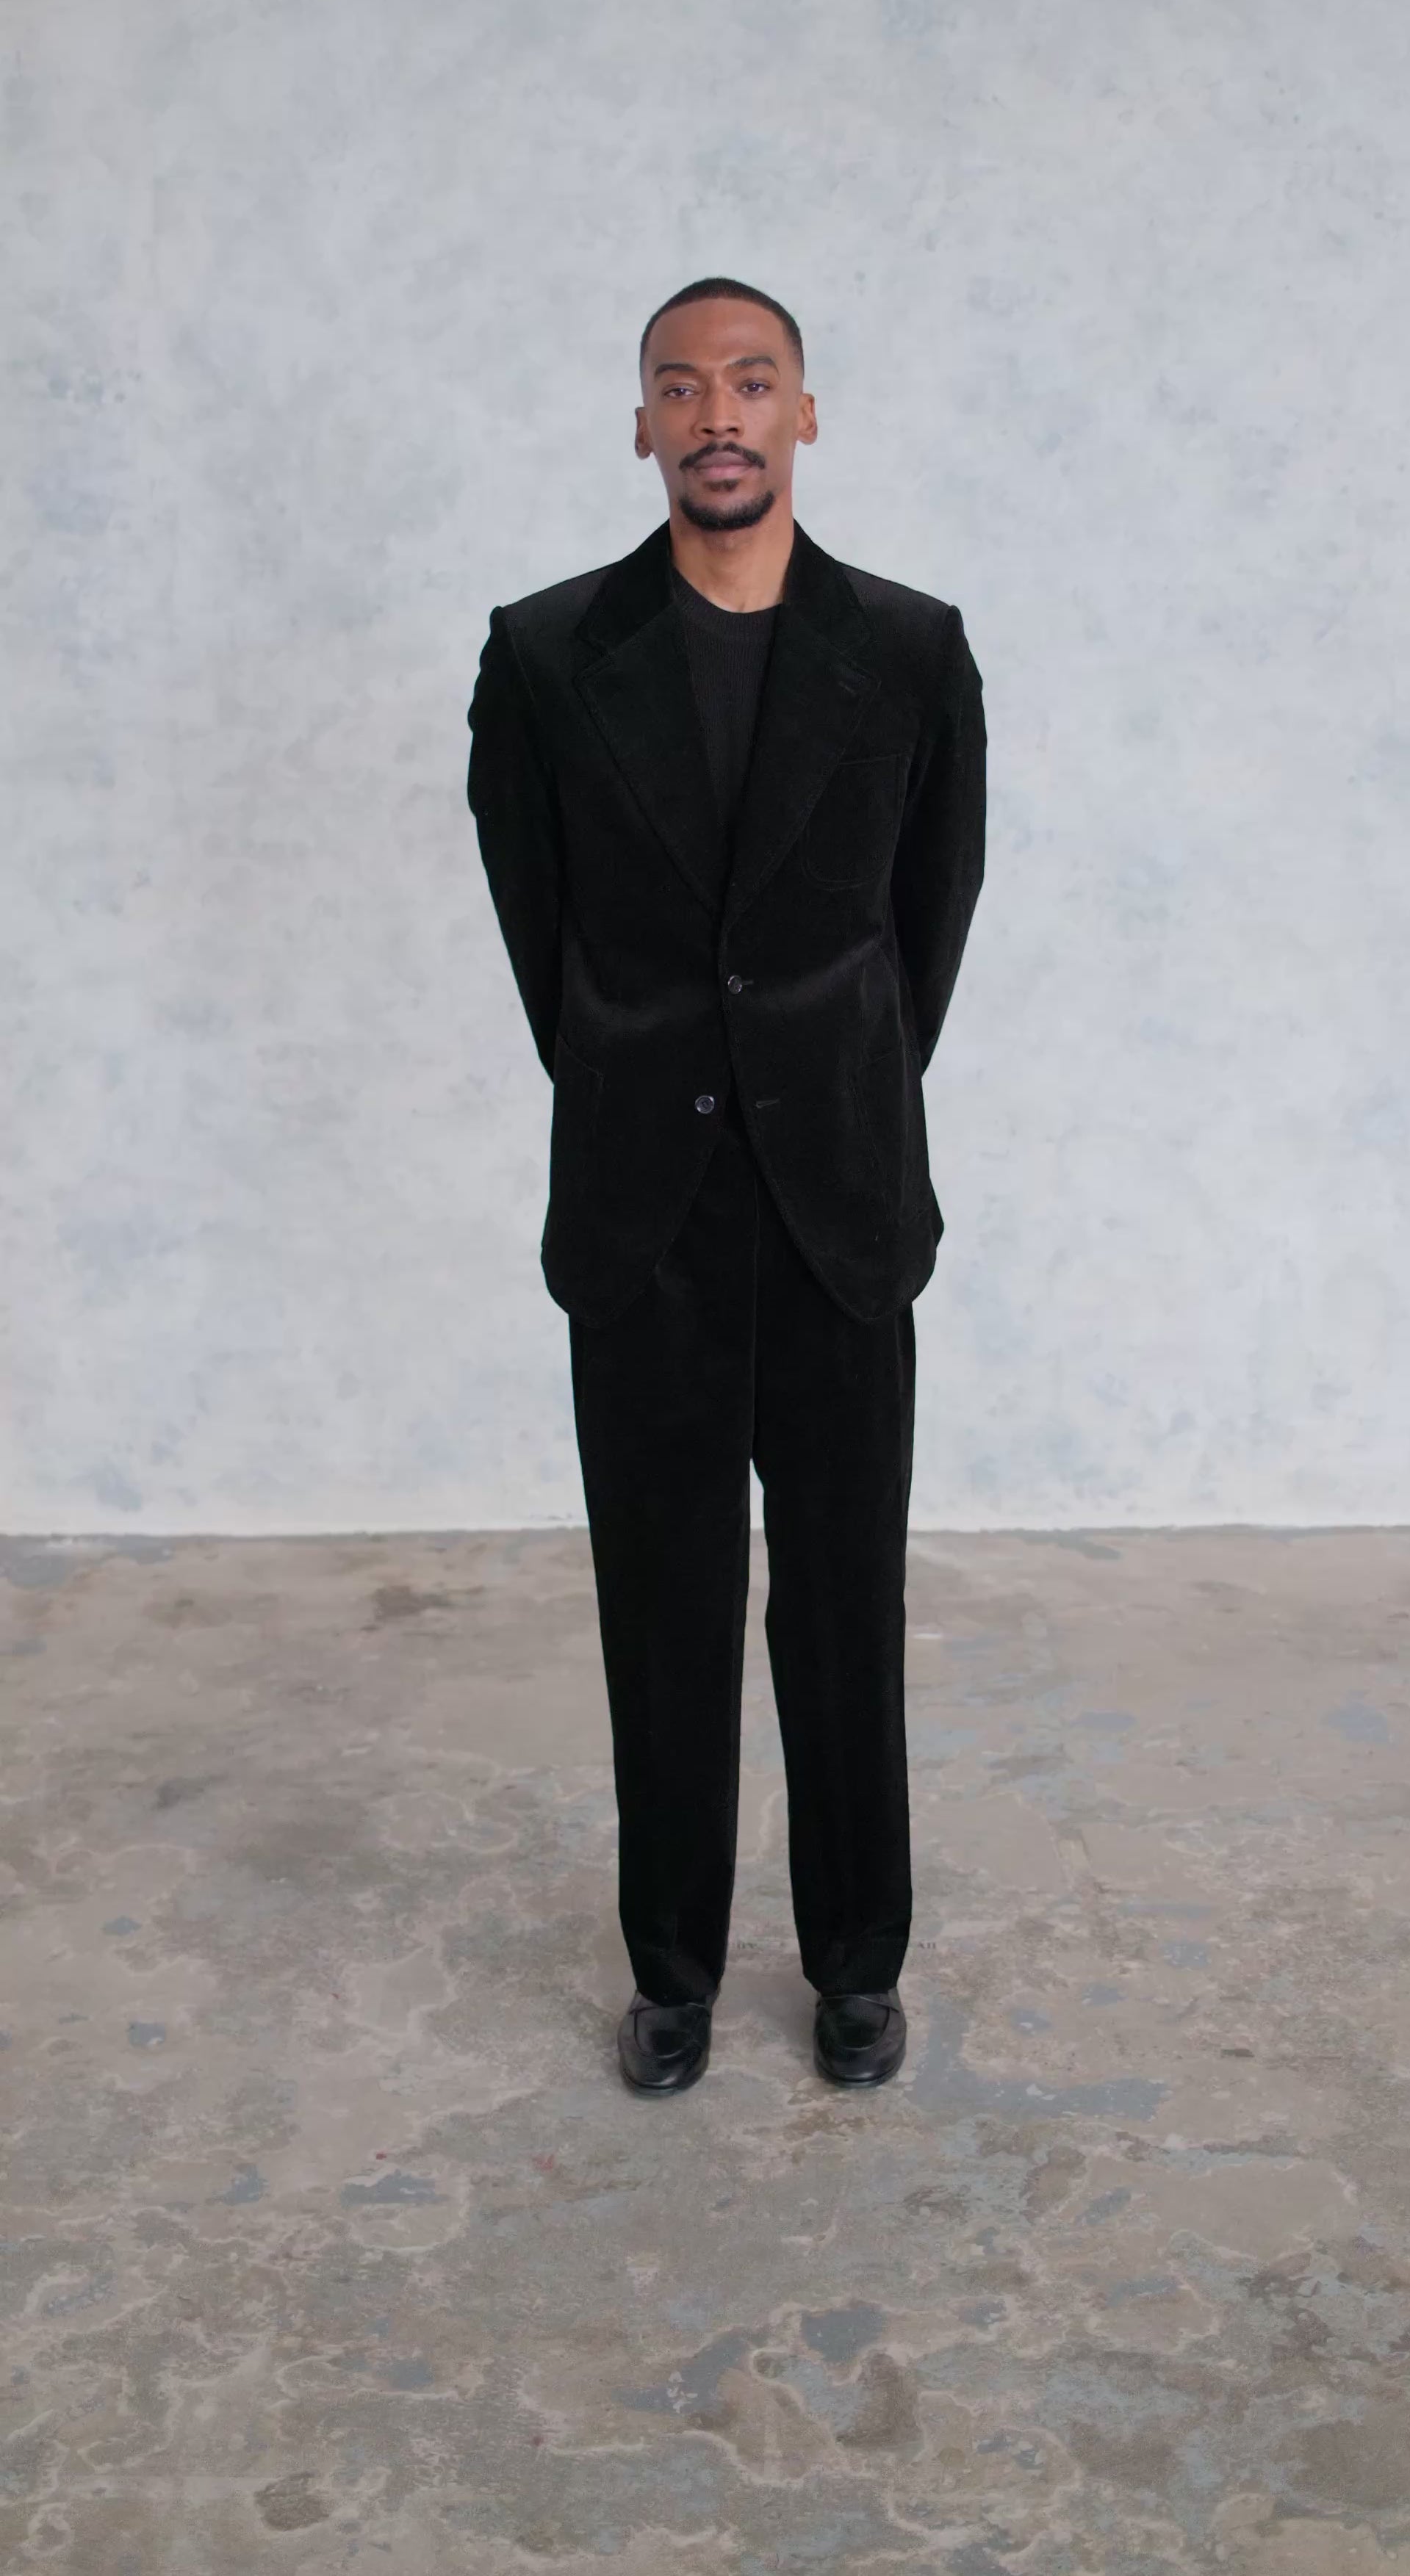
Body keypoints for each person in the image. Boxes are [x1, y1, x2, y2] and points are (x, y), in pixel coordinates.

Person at [466, 276, 986, 2096]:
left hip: (839, 1203)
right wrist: (644, 1082)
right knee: (663, 1604)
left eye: (752, 382)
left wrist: (828, 1082)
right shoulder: (546, 655)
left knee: (844, 1602)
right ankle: (672, 1969)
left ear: (804, 415)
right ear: (641, 425)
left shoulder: (910, 649)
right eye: (680, 387)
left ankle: (856, 1961)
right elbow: (543, 933)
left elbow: (926, 918)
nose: (717, 415)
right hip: (645, 1212)